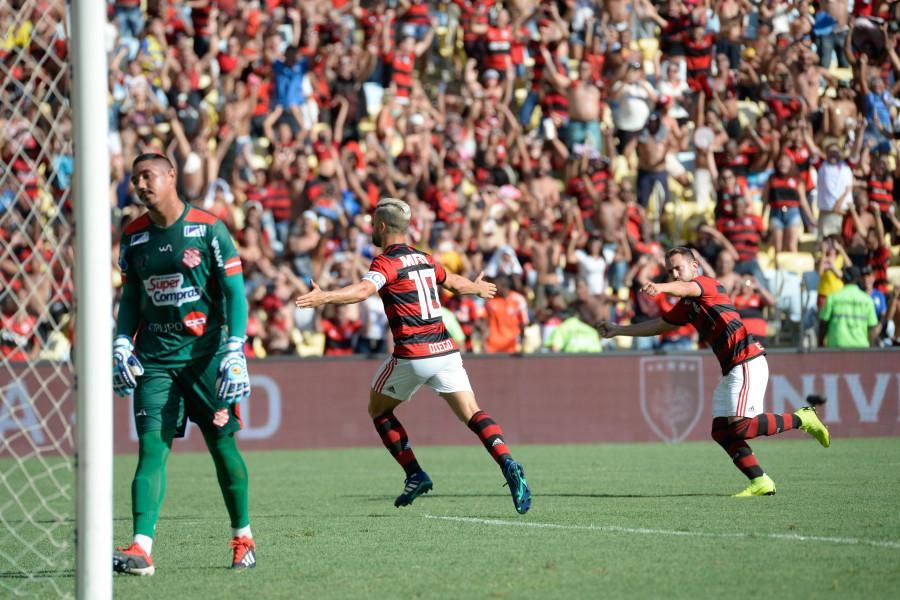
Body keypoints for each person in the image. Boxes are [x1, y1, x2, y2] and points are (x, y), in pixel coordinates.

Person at [294, 198, 532, 514]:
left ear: (380, 227)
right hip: (445, 350)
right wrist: (476, 289)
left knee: (378, 410)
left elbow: (363, 291)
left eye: (372, 224)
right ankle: (508, 462)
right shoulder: (424, 258)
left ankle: (414, 473)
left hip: (413, 353)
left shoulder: (384, 263)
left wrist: (324, 296)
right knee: (473, 412)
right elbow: (455, 284)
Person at [111, 153, 256, 575]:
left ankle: (243, 537)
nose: (141, 184)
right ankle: (141, 549)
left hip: (205, 359)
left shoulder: (210, 229)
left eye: (148, 175)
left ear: (171, 176)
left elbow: (235, 293)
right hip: (154, 362)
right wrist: (122, 340)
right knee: (151, 451)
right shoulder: (133, 236)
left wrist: (235, 348)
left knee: (222, 447)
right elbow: (132, 298)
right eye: (135, 178)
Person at [597, 247, 831, 496]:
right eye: (670, 270)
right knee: (721, 430)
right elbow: (659, 326)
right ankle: (760, 481)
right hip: (732, 368)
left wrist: (661, 287)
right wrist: (617, 330)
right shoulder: (687, 306)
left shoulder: (707, 284)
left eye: (679, 267)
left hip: (747, 359)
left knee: (741, 427)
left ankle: (802, 418)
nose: (675, 273)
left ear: (694, 266)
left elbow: (687, 288)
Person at [818, 266, 878, 348]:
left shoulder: (832, 298)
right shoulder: (867, 300)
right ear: (858, 279)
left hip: (836, 347)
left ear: (843, 279)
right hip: (861, 348)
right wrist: (873, 351)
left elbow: (823, 324)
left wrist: (820, 343)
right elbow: (872, 329)